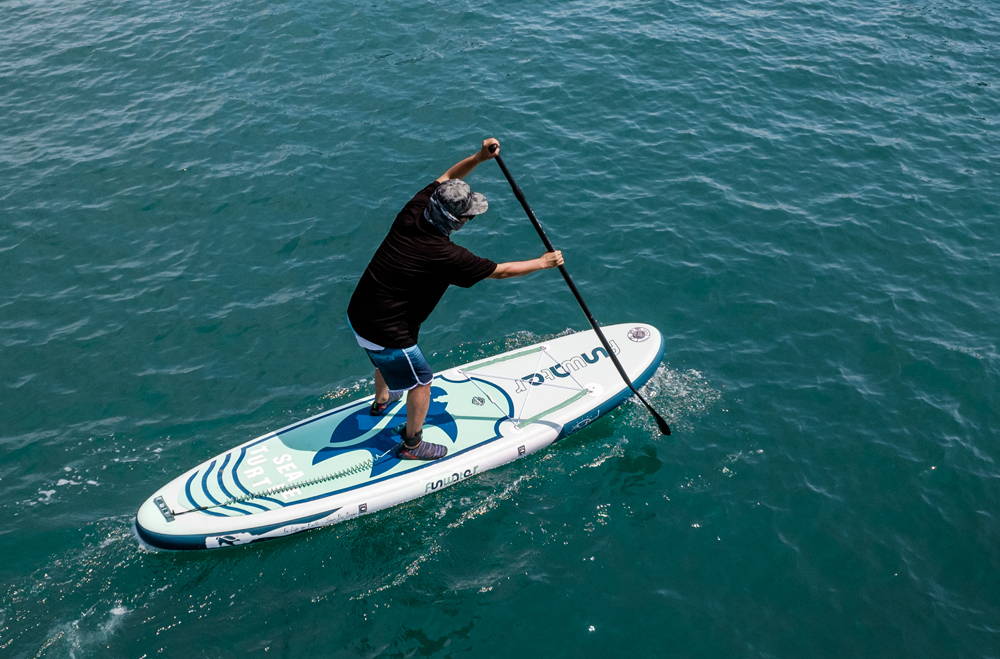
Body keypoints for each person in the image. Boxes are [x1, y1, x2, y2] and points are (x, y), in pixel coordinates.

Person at [347, 137, 564, 461]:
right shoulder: (445, 255)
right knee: (421, 382)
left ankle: (383, 400)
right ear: (456, 221)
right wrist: (543, 262)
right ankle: (412, 444)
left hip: (360, 311)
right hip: (387, 328)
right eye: (468, 216)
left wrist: (479, 157)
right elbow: (501, 271)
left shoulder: (416, 208)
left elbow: (448, 176)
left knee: (381, 357)